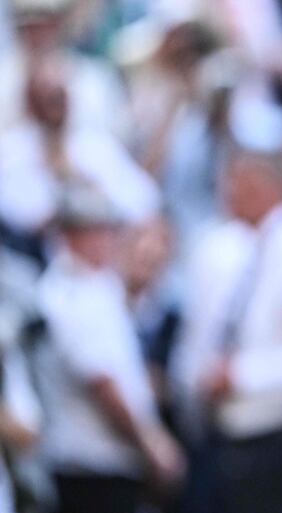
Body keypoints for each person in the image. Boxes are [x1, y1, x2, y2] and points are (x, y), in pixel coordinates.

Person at [169, 150, 282, 513]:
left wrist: (242, 376)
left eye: (240, 183)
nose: (229, 192)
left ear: (268, 186)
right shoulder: (227, 245)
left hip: (279, 435)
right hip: (220, 434)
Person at [34, 188, 183, 513]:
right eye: (99, 231)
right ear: (72, 236)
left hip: (105, 465)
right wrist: (153, 446)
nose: (110, 240)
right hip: (91, 467)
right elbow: (102, 383)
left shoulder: (95, 286)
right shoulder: (73, 295)